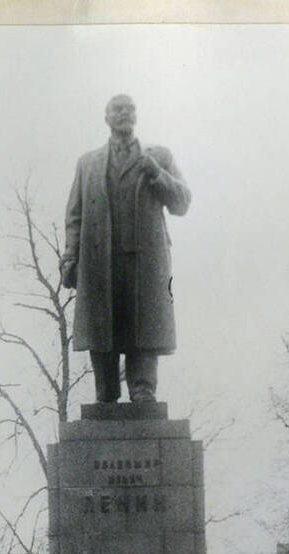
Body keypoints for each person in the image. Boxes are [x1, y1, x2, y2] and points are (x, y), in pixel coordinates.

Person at [61, 94, 191, 403]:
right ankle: (106, 391)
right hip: (99, 262)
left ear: (137, 115)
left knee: (143, 325)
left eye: (130, 109)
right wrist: (70, 257)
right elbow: (75, 215)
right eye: (117, 109)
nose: (124, 114)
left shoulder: (159, 156)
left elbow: (183, 202)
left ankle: (142, 387)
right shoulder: (88, 163)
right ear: (106, 117)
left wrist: (157, 174)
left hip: (144, 262)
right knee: (102, 327)